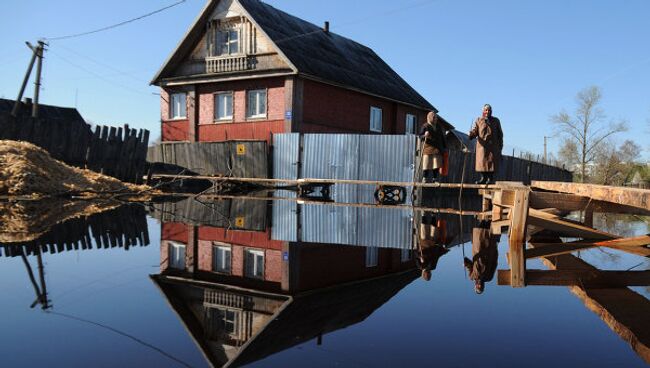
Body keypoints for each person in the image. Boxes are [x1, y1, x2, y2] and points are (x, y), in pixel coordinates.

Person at [468, 104, 503, 184]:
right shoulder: (479, 120)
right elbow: (475, 131)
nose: (488, 112)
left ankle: (490, 179)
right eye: (486, 110)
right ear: (483, 111)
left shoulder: (496, 121)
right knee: (482, 163)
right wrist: (471, 135)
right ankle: (483, 178)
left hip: (493, 146)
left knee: (491, 162)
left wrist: (500, 145)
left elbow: (500, 134)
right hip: (482, 146)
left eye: (489, 110)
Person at [463, 220, 499, 294]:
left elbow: (470, 266)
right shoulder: (489, 278)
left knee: (481, 226)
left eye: (478, 287)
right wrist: (495, 251)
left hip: (478, 248)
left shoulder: (472, 277)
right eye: (481, 287)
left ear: (475, 286)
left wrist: (465, 263)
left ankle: (485, 215)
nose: (479, 285)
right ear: (483, 286)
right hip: (489, 249)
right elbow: (494, 264)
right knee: (491, 224)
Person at [416, 212, 449, 281]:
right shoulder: (433, 266)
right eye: (429, 274)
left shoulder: (420, 266)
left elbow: (416, 255)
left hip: (423, 245)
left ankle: (423, 215)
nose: (428, 272)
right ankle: (433, 215)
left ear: (423, 273)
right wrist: (443, 251)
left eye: (426, 274)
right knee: (433, 230)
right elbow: (436, 256)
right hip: (432, 245)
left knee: (424, 229)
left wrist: (420, 258)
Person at [419, 111, 447, 183]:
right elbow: (420, 136)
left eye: (436, 117)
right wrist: (424, 135)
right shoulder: (425, 126)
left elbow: (442, 137)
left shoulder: (438, 127)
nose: (435, 119)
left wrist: (444, 147)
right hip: (428, 148)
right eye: (434, 117)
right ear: (430, 117)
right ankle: (425, 178)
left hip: (437, 148)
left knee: (436, 164)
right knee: (426, 164)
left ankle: (435, 178)